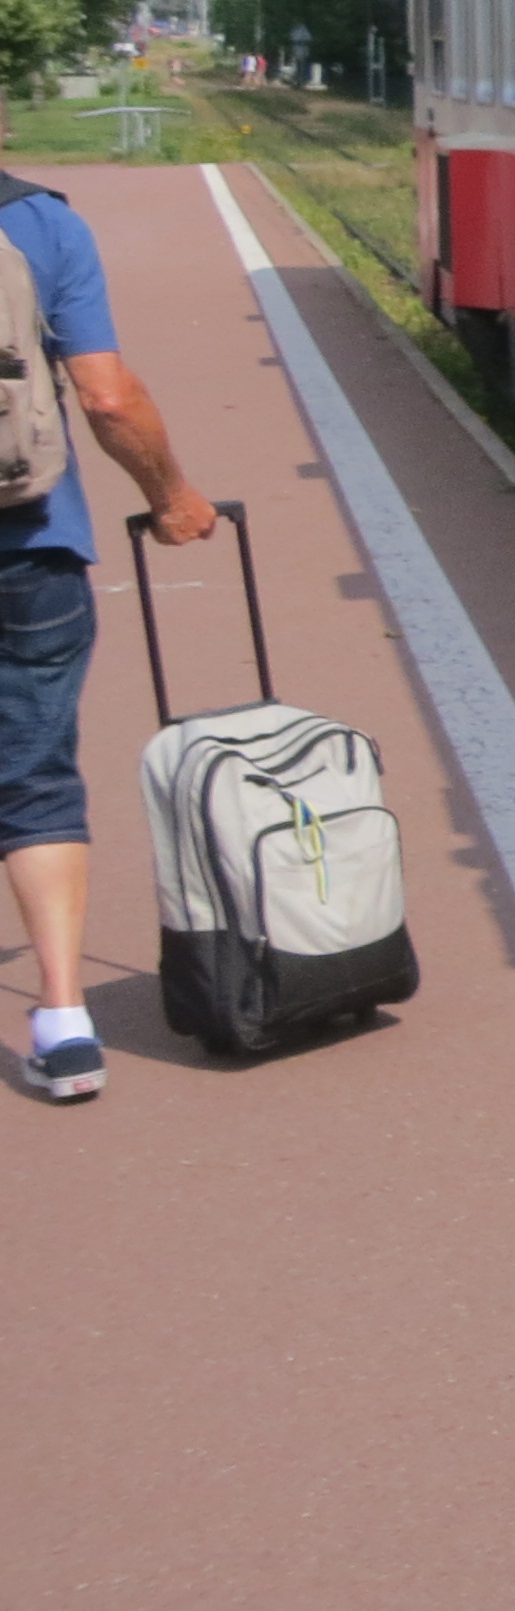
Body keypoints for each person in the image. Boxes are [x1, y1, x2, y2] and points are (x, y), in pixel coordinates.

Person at [0, 174, 217, 1102]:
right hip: (28, 546)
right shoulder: (39, 223)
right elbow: (106, 397)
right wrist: (172, 496)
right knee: (34, 774)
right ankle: (64, 1023)